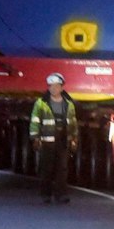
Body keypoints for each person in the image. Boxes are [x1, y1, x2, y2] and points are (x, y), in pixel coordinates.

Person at [29, 72, 77, 203]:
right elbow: (35, 121)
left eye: (56, 86)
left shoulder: (69, 104)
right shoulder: (41, 103)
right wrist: (35, 138)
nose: (53, 89)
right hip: (47, 141)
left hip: (63, 141)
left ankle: (61, 195)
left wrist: (74, 138)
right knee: (47, 168)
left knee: (62, 169)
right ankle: (46, 195)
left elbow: (72, 122)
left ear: (62, 88)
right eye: (51, 86)